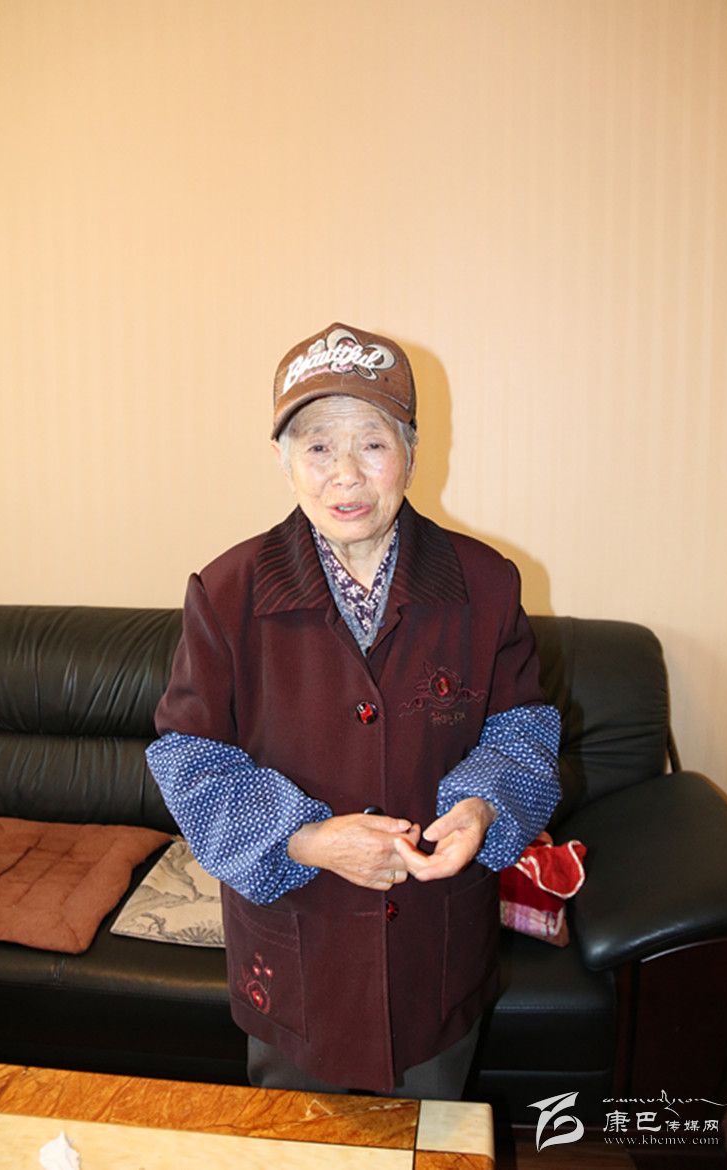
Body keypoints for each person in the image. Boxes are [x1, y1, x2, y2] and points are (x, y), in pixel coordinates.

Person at [146, 322, 561, 1099]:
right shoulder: (226, 592)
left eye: (372, 443)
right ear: (284, 463)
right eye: (317, 448)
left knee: (432, 1136)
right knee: (297, 1141)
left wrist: (482, 805)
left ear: (412, 451)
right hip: (295, 955)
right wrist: (304, 837)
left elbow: (523, 729)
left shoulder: (487, 584)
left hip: (436, 953)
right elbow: (187, 756)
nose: (346, 475)